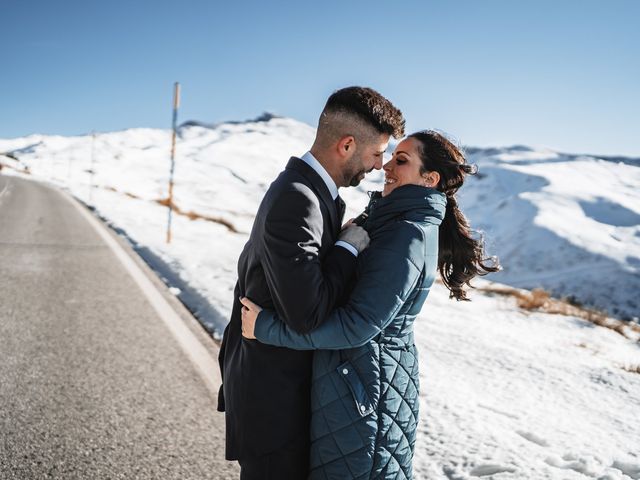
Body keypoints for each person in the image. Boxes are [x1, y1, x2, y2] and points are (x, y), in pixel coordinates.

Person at [240, 130, 500, 479]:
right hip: (359, 383)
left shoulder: (406, 234)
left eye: (402, 161)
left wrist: (266, 328)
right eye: (392, 156)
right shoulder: (392, 223)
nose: (388, 166)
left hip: (365, 396)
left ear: (430, 179)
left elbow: (357, 326)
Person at [217, 86, 405, 479]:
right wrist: (348, 249)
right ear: (347, 145)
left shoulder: (313, 193)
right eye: (377, 152)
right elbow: (308, 313)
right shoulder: (298, 199)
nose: (379, 165)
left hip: (279, 391)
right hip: (274, 401)